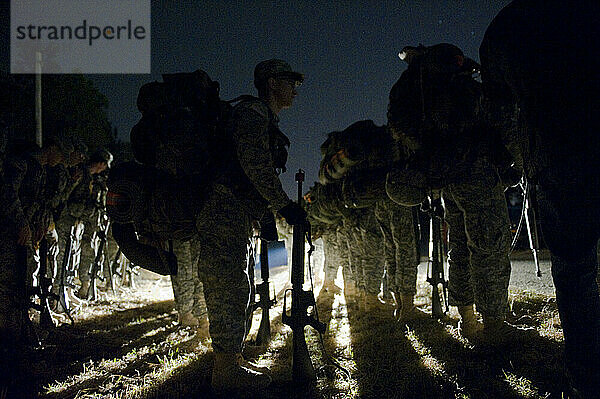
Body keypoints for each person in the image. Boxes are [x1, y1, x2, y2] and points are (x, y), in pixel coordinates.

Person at [480, 1, 600, 395]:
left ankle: (589, 378)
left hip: (555, 153)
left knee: (574, 268)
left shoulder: (505, 27)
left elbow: (498, 110)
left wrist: (520, 161)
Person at [192, 59, 307, 393]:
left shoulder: (261, 117)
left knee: (238, 286)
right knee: (228, 285)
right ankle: (224, 372)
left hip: (234, 211)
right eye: (290, 82)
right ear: (271, 83)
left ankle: (232, 360)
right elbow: (254, 164)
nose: (295, 90)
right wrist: (283, 204)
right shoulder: (252, 114)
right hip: (222, 208)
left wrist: (268, 212)